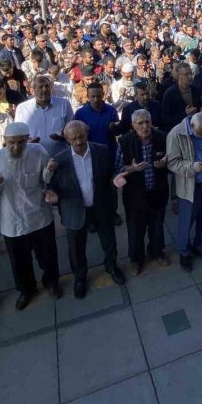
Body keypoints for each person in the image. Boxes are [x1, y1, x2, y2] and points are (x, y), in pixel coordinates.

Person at [45, 121, 126, 299]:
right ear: (67, 139)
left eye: (81, 136)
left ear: (87, 134)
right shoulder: (59, 160)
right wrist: (53, 194)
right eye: (73, 138)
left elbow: (110, 172)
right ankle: (80, 278)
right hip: (74, 210)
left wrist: (115, 179)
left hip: (100, 206)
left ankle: (111, 266)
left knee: (109, 239)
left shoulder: (102, 151)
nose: (79, 141)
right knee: (76, 248)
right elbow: (53, 186)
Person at [0, 122, 61, 309]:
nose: (16, 147)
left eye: (21, 142)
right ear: (4, 141)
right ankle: (26, 290)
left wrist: (49, 170)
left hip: (39, 214)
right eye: (12, 142)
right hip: (12, 218)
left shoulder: (38, 151)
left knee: (48, 255)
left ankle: (52, 283)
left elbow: (44, 179)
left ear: (28, 140)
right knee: (19, 261)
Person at [114, 109, 170, 276]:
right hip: (134, 195)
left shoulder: (162, 137)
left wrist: (164, 165)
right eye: (140, 123)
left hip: (158, 191)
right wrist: (131, 169)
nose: (145, 126)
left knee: (157, 225)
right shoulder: (124, 141)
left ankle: (156, 251)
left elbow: (172, 160)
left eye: (147, 122)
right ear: (133, 125)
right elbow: (117, 168)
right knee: (136, 229)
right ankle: (136, 259)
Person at [166, 111, 202, 272]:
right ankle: (184, 252)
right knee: (186, 222)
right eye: (200, 133)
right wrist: (193, 167)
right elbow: (172, 163)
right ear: (192, 125)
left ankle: (200, 246)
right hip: (190, 187)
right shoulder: (176, 134)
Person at [15, 74, 73, 157]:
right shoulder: (22, 108)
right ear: (32, 90)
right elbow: (19, 134)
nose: (45, 89)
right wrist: (28, 141)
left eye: (47, 86)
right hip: (34, 156)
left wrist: (63, 135)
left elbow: (71, 128)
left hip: (60, 155)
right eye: (40, 87)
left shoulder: (64, 104)